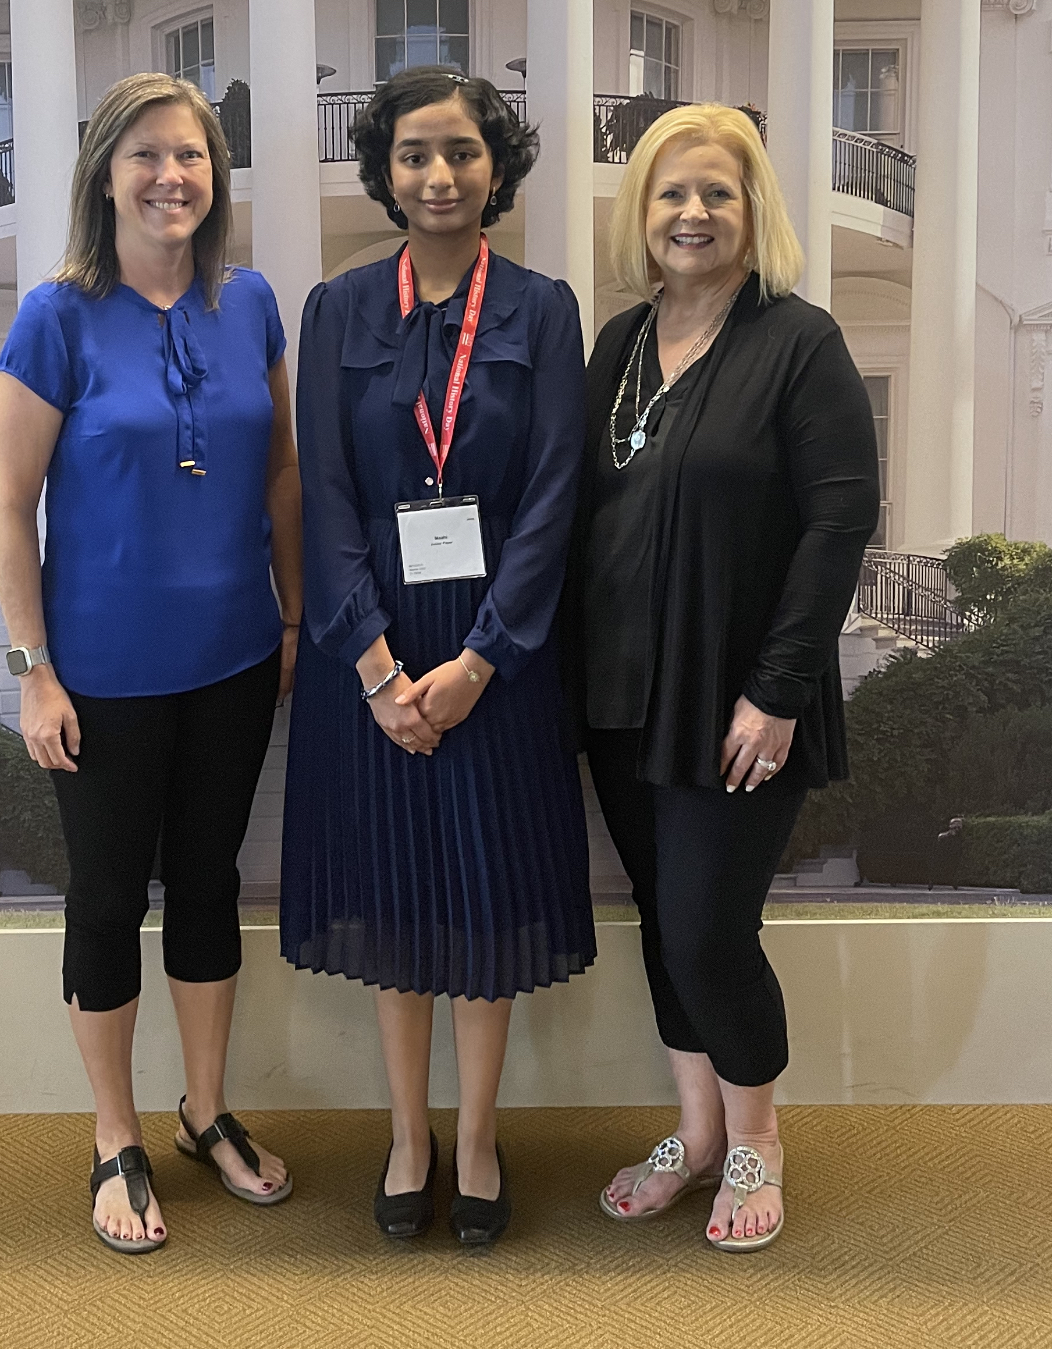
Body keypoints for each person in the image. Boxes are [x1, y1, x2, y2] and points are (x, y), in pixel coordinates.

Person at [0, 72, 301, 1255]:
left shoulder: (254, 301)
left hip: (229, 659)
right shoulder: (55, 315)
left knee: (209, 883)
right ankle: (114, 1132)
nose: (174, 177)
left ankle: (204, 1112)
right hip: (99, 674)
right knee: (110, 900)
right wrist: (33, 669)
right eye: (148, 156)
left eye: (195, 158)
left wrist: (288, 618)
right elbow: (8, 502)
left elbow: (280, 473)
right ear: (105, 174)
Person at [280, 66, 596, 1247]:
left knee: (484, 893)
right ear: (386, 171)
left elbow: (557, 496)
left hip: (494, 662)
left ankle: (476, 1136)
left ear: (495, 167)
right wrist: (372, 666)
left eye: (461, 151)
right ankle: (409, 1132)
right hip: (372, 662)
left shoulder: (544, 307)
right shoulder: (339, 307)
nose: (439, 175)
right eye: (415, 154)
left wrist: (479, 663)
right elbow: (329, 495)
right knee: (397, 895)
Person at [564, 103, 878, 1253]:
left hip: (739, 697)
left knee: (709, 932)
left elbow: (841, 521)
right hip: (623, 697)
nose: (692, 213)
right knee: (661, 923)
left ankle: (757, 1138)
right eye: (670, 194)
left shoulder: (800, 341)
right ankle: (696, 1134)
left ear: (753, 215)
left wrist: (781, 689)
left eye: (716, 194)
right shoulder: (617, 345)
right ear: (640, 215)